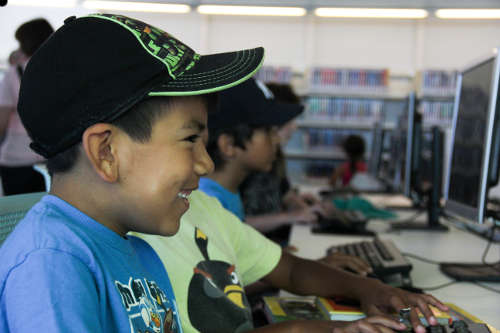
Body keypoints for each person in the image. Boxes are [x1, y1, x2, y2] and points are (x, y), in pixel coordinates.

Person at [0, 13, 265, 332]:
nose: (206, 164)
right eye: (190, 139)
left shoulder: (135, 249)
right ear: (106, 152)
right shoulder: (51, 265)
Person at [134, 79, 449, 333]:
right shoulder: (139, 238)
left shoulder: (204, 209)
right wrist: (303, 329)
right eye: (190, 139)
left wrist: (368, 288)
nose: (204, 163)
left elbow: (289, 269)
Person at [0, 18, 54, 195]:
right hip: (53, 156)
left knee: (18, 215)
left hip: (16, 159)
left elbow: (2, 120)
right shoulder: (60, 70)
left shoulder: (13, 73)